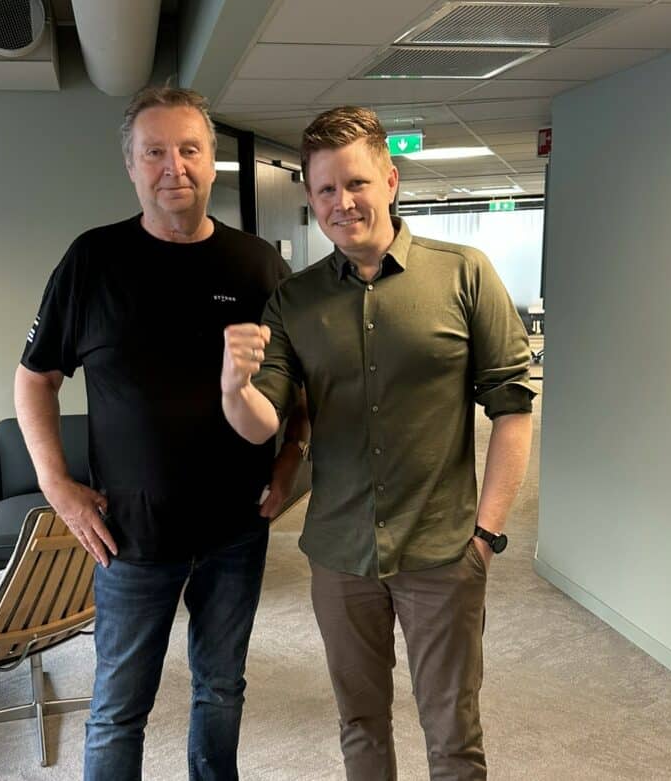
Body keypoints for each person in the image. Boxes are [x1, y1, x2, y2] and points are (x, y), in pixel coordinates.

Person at [220, 106, 536, 780]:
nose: (342, 203)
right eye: (326, 189)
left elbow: (512, 407)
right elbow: (261, 421)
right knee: (360, 724)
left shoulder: (464, 273)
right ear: (311, 197)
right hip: (340, 556)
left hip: (442, 551)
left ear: (390, 180)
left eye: (356, 183)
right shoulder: (294, 300)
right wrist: (233, 386)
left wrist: (486, 534)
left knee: (453, 735)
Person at [14, 86, 307, 781]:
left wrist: (293, 455)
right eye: (154, 152)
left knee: (221, 687)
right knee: (119, 709)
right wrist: (58, 486)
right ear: (131, 165)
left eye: (189, 149)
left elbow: (304, 380)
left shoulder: (258, 265)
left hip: (236, 530)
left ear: (211, 162)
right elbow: (34, 379)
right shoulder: (92, 261)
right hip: (131, 537)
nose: (173, 166)